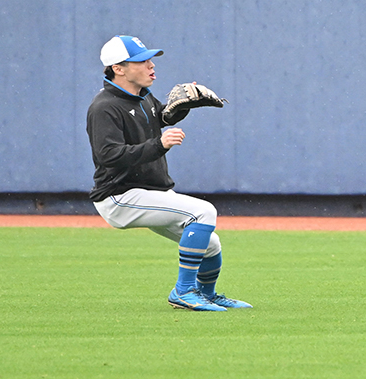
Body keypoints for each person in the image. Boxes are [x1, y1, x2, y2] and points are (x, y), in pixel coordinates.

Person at [86, 35, 251, 312]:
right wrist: (158, 144)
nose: (151, 65)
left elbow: (162, 117)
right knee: (204, 212)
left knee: (210, 244)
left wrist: (183, 107)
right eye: (142, 60)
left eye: (151, 59)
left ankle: (205, 294)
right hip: (119, 196)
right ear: (119, 68)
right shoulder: (104, 107)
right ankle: (183, 292)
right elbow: (108, 156)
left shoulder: (142, 97)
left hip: (151, 191)